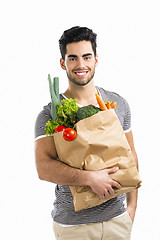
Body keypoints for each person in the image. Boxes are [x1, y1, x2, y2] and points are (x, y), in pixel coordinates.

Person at [34, 26, 139, 240]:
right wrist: (90, 178)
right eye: (72, 58)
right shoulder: (49, 114)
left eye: (86, 57)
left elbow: (131, 155)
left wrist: (132, 209)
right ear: (63, 63)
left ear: (96, 60)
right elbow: (43, 168)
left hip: (118, 221)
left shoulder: (118, 104)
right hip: (74, 226)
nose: (80, 65)